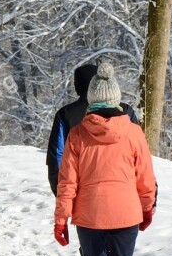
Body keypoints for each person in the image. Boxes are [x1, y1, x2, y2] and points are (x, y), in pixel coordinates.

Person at [53, 62, 157, 256]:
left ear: (91, 99)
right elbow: (146, 179)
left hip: (89, 215)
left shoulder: (76, 135)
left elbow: (67, 184)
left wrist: (61, 219)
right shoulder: (134, 133)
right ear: (115, 99)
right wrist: (147, 209)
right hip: (126, 214)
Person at [46, 64, 139, 196]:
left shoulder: (65, 114)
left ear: (77, 86)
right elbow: (139, 154)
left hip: (82, 193)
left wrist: (61, 193)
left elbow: (56, 157)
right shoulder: (125, 111)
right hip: (123, 192)